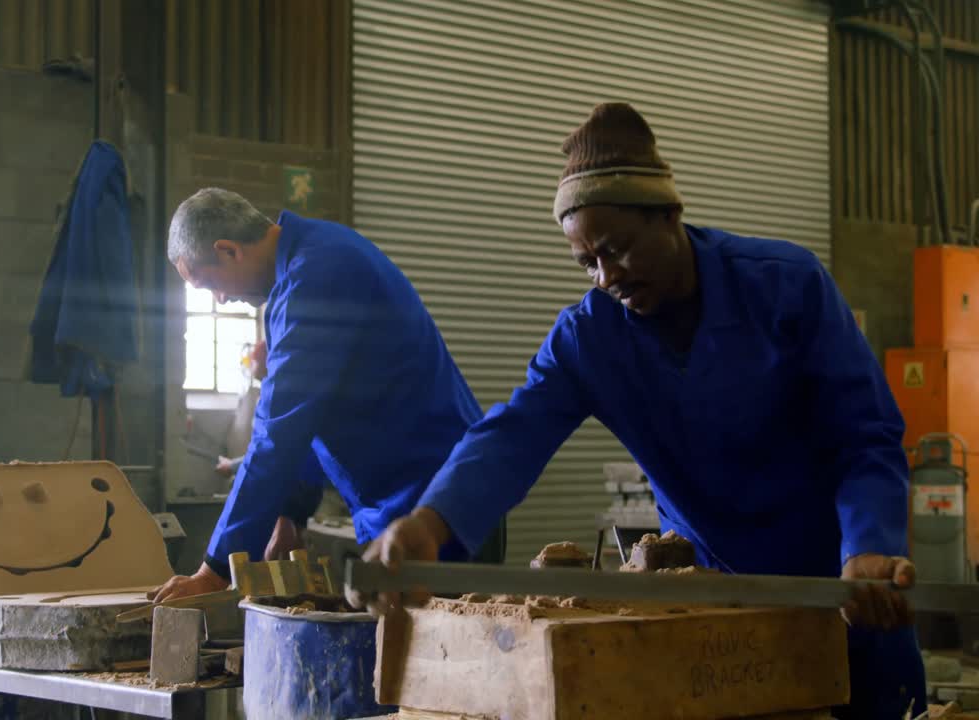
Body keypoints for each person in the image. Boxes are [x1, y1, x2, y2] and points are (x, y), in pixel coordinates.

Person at [356, 103, 926, 718]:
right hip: (714, 615)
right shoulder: (590, 337)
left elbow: (864, 436)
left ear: (670, 215)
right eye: (587, 263)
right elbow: (513, 435)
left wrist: (868, 545)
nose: (606, 276)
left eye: (617, 249)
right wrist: (427, 525)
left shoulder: (786, 287)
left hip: (844, 586)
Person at [152, 188, 505, 602]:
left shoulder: (317, 276)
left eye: (211, 284)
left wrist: (214, 569)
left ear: (229, 250)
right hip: (405, 505)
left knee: (438, 660)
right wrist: (291, 511)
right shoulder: (307, 264)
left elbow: (278, 435)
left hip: (438, 510)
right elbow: (313, 412)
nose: (222, 298)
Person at [213, 338, 323, 561]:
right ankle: (299, 590)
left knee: (278, 544)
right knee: (295, 546)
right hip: (311, 482)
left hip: (291, 483)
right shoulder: (294, 386)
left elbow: (272, 450)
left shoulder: (280, 393)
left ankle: (278, 592)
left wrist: (232, 466)